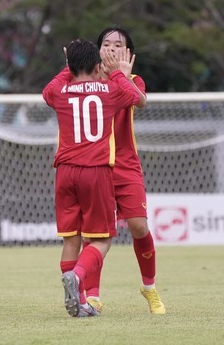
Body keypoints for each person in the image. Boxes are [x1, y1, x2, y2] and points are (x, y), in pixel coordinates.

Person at [42, 39, 141, 317]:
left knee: (71, 240)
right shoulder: (110, 89)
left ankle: (81, 303)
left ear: (70, 66)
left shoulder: (60, 90)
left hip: (64, 172)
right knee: (101, 240)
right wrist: (119, 70)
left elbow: (47, 91)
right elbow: (134, 97)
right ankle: (77, 278)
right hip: (95, 171)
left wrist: (68, 68)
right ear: (99, 66)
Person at [81, 26, 166, 315]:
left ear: (129, 53)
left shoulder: (132, 80)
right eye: (106, 43)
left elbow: (139, 101)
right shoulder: (87, 79)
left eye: (119, 45)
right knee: (93, 234)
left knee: (139, 226)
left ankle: (149, 288)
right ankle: (92, 296)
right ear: (97, 49)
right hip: (94, 166)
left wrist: (118, 72)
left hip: (126, 167)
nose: (112, 49)